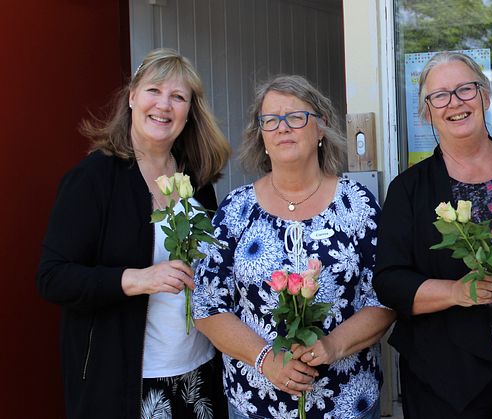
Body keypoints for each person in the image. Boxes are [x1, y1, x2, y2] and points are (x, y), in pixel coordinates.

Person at [37, 48, 231, 419]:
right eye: (154, 91)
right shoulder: (93, 179)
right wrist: (138, 279)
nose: (164, 105)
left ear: (189, 111)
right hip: (127, 381)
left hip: (200, 370)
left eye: (178, 97)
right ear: (131, 97)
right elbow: (52, 277)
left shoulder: (196, 178)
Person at [191, 74, 395, 419]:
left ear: (320, 128)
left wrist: (332, 345)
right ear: (262, 137)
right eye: (270, 120)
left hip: (347, 402)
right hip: (254, 404)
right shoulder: (236, 209)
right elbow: (208, 304)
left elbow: (387, 296)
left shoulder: (357, 204)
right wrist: (265, 359)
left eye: (296, 117)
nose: (283, 128)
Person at [373, 51, 492, 418]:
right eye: (440, 95)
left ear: (484, 96)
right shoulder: (410, 189)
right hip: (448, 376)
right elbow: (390, 282)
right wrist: (455, 292)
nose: (455, 103)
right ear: (427, 112)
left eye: (465, 89)